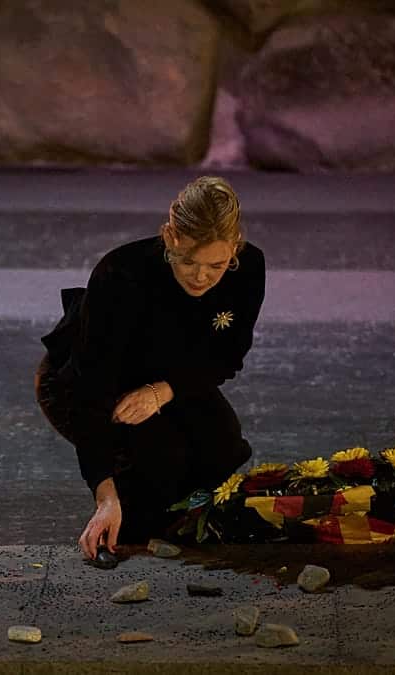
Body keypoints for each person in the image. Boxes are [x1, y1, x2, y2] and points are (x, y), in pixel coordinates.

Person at [35, 176, 266, 561]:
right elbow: (91, 389)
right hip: (83, 380)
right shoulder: (120, 274)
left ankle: (172, 515)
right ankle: (128, 514)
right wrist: (104, 496)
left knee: (223, 447)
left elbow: (227, 356)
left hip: (169, 375)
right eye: (188, 260)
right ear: (170, 237)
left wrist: (162, 391)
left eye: (217, 264)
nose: (201, 276)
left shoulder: (249, 268)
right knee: (161, 461)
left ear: (235, 247)